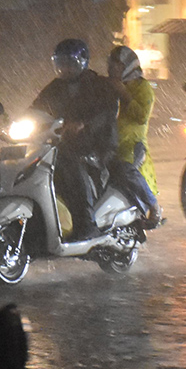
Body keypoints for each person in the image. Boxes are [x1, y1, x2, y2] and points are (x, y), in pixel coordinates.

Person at [30, 38, 119, 239]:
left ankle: (87, 223)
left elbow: (107, 112)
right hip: (65, 142)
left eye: (71, 63)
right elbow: (37, 107)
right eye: (61, 63)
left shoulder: (99, 85)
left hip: (97, 144)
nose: (65, 68)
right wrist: (20, 122)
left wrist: (85, 124)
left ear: (83, 62)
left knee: (71, 164)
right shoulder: (55, 86)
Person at [106, 45, 161, 229]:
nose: (113, 69)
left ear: (128, 66)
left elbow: (141, 116)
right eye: (111, 65)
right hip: (109, 142)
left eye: (118, 66)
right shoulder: (108, 87)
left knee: (125, 169)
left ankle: (153, 205)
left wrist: (123, 92)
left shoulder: (142, 87)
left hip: (132, 144)